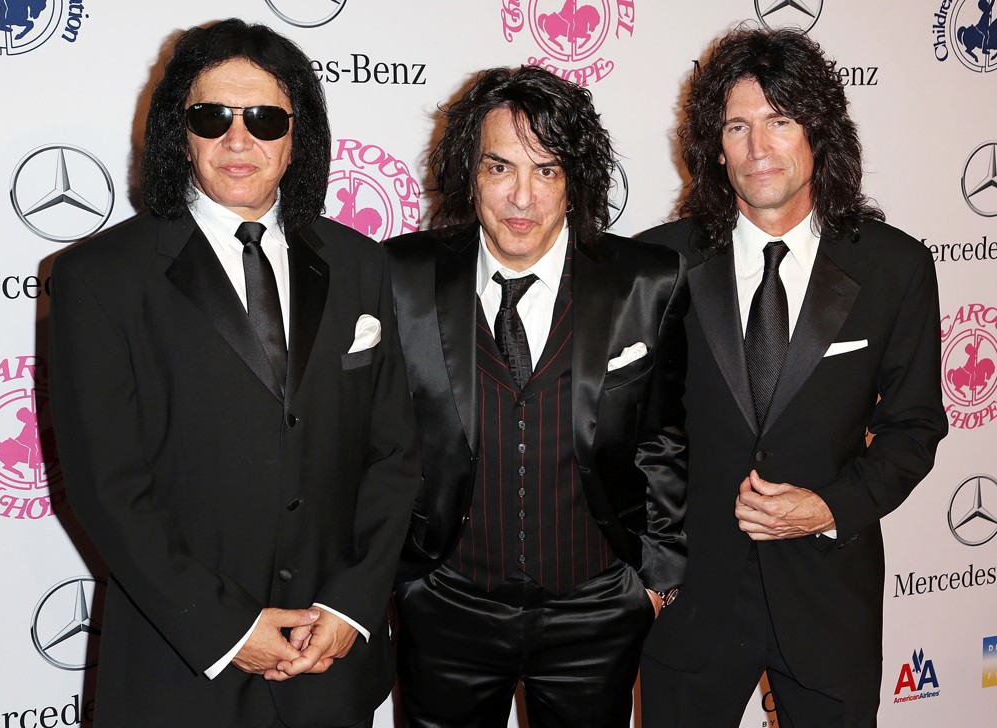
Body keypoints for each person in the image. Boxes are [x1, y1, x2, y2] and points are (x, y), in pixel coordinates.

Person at [48, 19, 419, 728]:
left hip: (328, 662)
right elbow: (107, 487)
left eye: (265, 119)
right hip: (179, 667)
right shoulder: (100, 277)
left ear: (297, 135)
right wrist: (227, 628)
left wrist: (350, 606)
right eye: (212, 117)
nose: (239, 140)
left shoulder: (360, 263)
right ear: (179, 131)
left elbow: (395, 455)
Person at [639, 28, 947, 728]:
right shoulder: (657, 266)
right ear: (715, 147)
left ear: (817, 134)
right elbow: (625, 432)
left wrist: (830, 507)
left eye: (779, 121)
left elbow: (914, 426)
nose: (758, 148)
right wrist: (653, 566)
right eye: (737, 126)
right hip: (691, 601)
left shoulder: (893, 268)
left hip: (829, 597)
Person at [385, 65, 688, 728]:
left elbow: (663, 438)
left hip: (597, 609)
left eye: (546, 170)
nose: (521, 197)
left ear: (574, 181)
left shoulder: (646, 282)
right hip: (446, 606)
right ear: (469, 173)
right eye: (500, 167)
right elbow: (376, 442)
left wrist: (656, 578)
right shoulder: (401, 277)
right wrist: (406, 583)